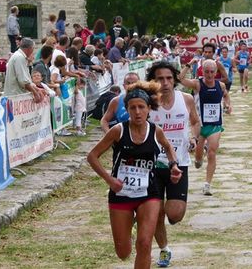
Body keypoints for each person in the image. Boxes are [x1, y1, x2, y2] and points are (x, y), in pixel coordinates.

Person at [87, 81, 182, 269]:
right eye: (133, 108)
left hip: (149, 194)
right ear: (127, 110)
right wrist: (109, 180)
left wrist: (173, 165)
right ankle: (127, 228)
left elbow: (168, 147)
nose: (137, 112)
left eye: (141, 107)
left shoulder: (156, 131)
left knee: (145, 244)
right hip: (121, 195)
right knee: (123, 253)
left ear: (149, 109)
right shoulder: (118, 131)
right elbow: (92, 156)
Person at [146, 61, 201, 268]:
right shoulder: (148, 102)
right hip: (153, 164)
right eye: (160, 78)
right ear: (154, 80)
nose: (165, 82)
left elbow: (195, 122)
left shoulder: (185, 99)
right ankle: (164, 249)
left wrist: (194, 139)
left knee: (175, 214)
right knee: (156, 212)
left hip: (179, 163)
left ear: (175, 79)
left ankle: (167, 217)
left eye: (169, 78)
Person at [179, 59, 232, 195]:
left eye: (212, 72)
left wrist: (227, 104)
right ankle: (198, 159)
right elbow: (180, 78)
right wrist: (189, 64)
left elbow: (226, 96)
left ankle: (207, 184)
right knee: (198, 157)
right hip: (200, 125)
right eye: (206, 72)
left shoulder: (220, 85)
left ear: (215, 72)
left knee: (212, 153)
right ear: (203, 71)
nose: (209, 75)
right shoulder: (198, 84)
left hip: (215, 125)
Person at [3, 38, 44, 103]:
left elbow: (26, 80)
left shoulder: (18, 56)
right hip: (16, 97)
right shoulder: (20, 57)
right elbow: (23, 81)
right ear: (30, 48)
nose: (32, 52)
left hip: (16, 96)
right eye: (33, 49)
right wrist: (35, 93)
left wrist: (37, 89)